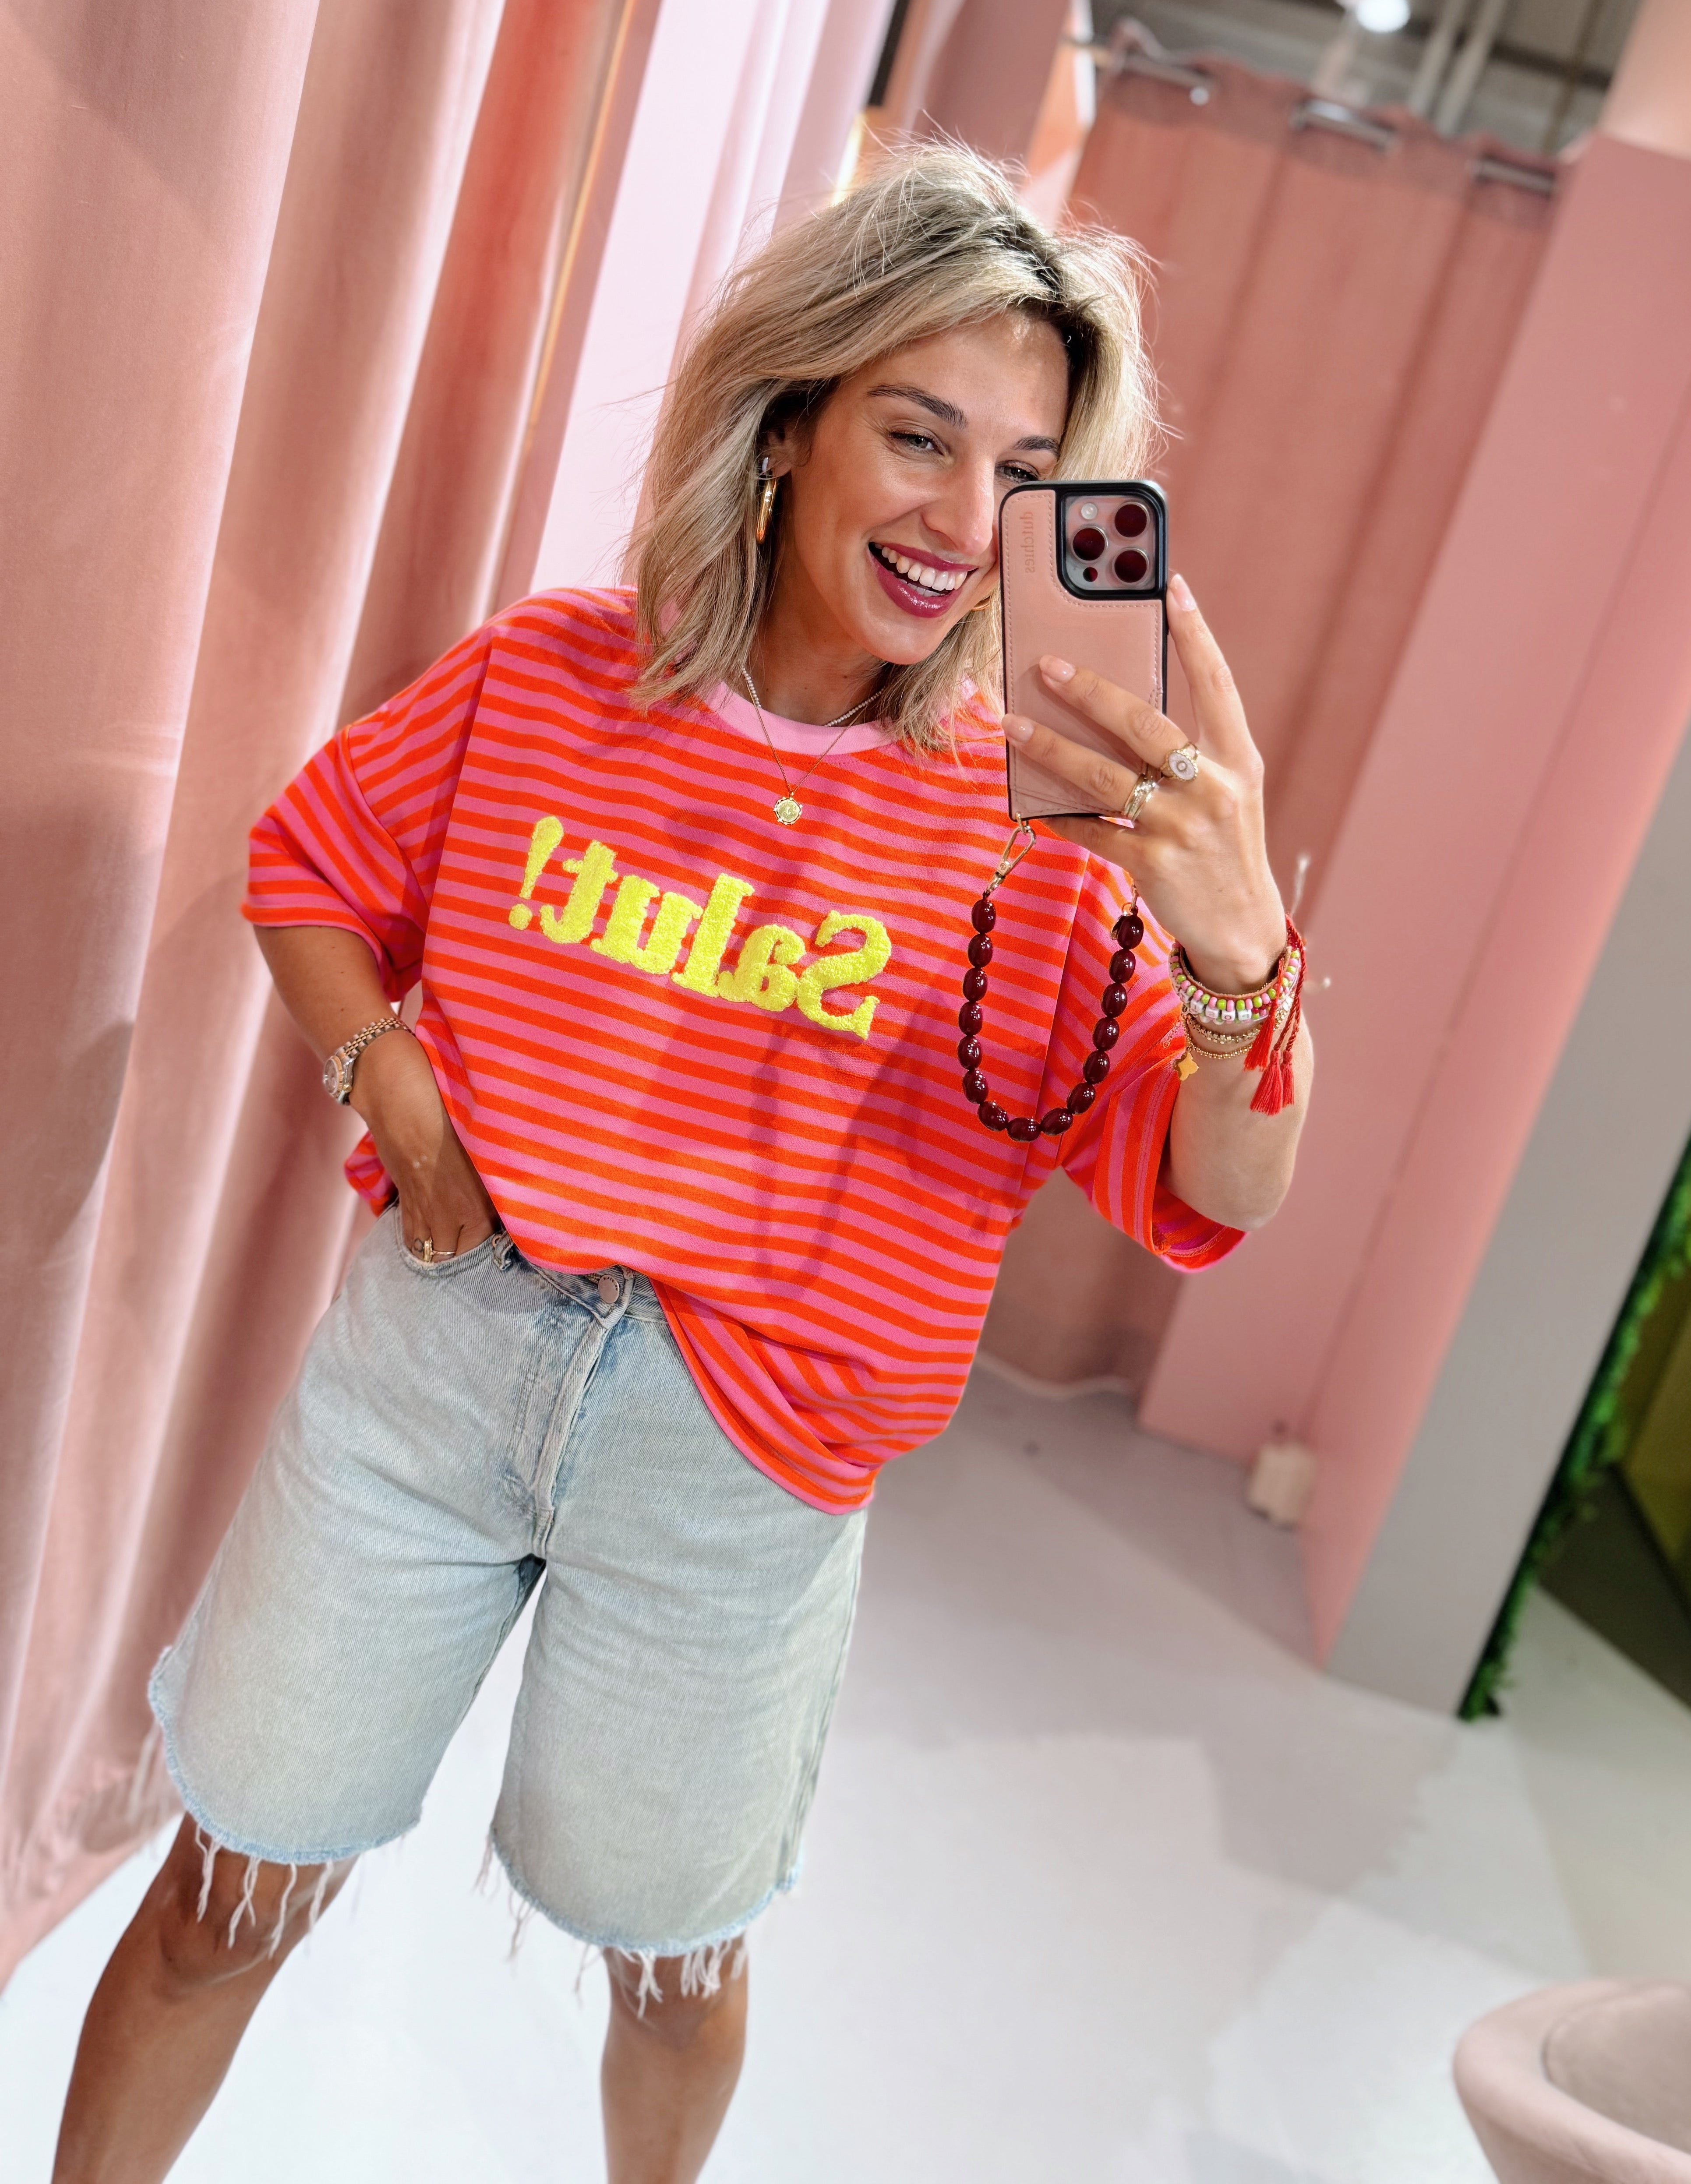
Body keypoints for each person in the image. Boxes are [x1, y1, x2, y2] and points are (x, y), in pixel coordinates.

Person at [53, 147, 1312, 2184]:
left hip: (745, 1468)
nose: (961, 520)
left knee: (669, 1962)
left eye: (1023, 475)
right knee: (229, 1887)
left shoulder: (1043, 837)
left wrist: (1241, 958)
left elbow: (1215, 1190)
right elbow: (309, 865)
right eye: (919, 434)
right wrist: (400, 1094)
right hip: (434, 1378)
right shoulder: (558, 674)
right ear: (793, 419)